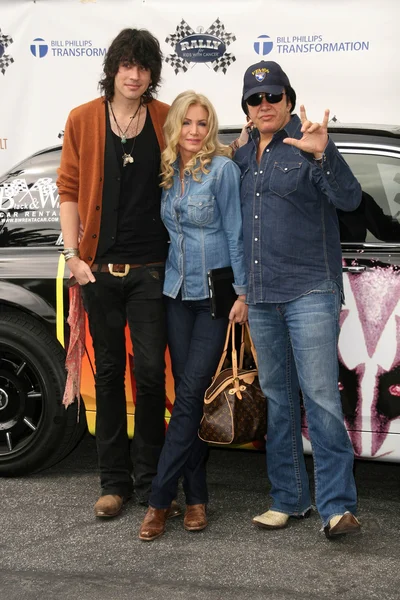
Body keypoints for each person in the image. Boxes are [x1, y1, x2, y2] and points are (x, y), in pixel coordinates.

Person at [234, 60, 362, 539]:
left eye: (273, 96)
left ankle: (336, 507)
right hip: (262, 297)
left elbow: (350, 201)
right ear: (247, 108)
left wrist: (324, 155)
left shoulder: (308, 144)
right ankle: (289, 499)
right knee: (279, 400)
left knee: (322, 399)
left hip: (310, 289)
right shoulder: (243, 157)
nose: (265, 104)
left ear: (288, 99)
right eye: (255, 98)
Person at [57, 28, 172, 518]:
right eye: (126, 64)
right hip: (97, 272)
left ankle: (151, 480)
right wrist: (75, 259)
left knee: (148, 374)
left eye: (143, 66)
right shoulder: (83, 118)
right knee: (105, 376)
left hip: (150, 271)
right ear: (113, 68)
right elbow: (67, 190)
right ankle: (113, 484)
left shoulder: (165, 119)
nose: (134, 74)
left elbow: (200, 157)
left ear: (152, 75)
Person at [138, 91, 248, 541]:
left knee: (188, 398)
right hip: (175, 292)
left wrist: (242, 292)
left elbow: (238, 232)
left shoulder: (222, 170)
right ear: (175, 127)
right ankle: (197, 497)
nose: (195, 132)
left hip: (215, 297)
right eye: (187, 123)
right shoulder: (169, 173)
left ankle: (159, 500)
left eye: (203, 124)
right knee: (190, 397)